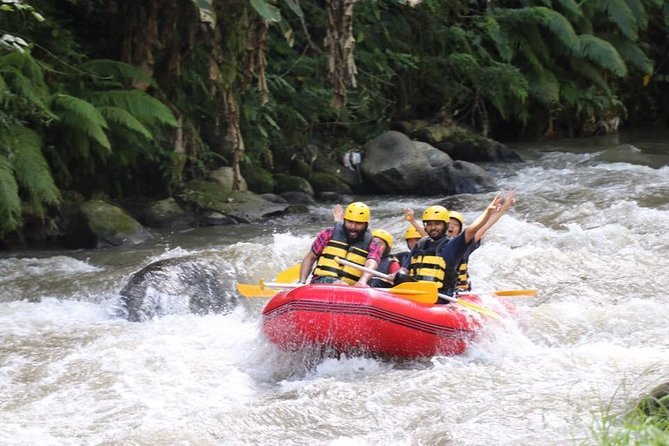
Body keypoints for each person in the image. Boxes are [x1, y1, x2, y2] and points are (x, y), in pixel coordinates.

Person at [394, 193, 508, 302]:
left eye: (437, 224)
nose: (433, 227)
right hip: (419, 293)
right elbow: (405, 267)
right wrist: (397, 275)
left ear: (445, 225)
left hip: (441, 296)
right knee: (400, 276)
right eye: (429, 224)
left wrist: (488, 212)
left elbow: (472, 230)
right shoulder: (420, 244)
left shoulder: (453, 245)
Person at [298, 202, 382, 286]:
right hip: (321, 280)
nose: (353, 227)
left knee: (344, 285)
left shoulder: (373, 244)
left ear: (366, 225)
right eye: (350, 222)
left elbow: (372, 263)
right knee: (342, 284)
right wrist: (302, 282)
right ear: (344, 221)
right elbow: (310, 258)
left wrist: (363, 281)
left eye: (358, 223)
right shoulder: (328, 234)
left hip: (352, 287)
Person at [449, 192, 516, 292]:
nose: (451, 226)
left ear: (460, 229)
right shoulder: (432, 243)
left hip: (460, 291)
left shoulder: (465, 243)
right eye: (448, 224)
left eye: (455, 225)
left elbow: (485, 225)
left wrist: (504, 207)